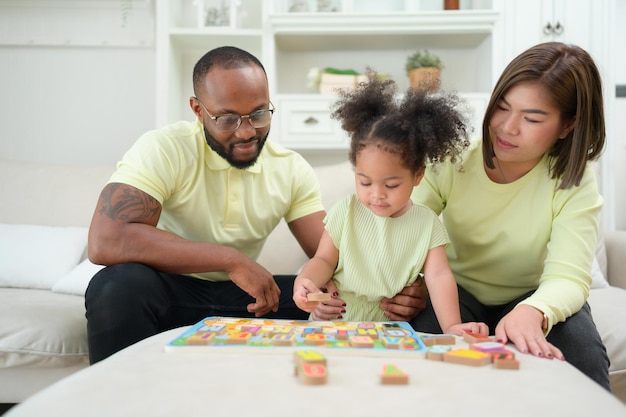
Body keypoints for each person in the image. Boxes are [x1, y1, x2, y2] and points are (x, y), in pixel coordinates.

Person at [85, 46, 426, 364]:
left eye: (259, 114)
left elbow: (335, 256)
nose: (247, 132)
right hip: (171, 292)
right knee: (115, 285)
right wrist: (231, 260)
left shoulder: (290, 168)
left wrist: (403, 285)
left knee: (324, 293)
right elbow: (106, 240)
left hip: (252, 300)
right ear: (197, 110)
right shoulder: (164, 148)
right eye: (227, 118)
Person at [409, 42, 611, 390]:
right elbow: (404, 230)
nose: (507, 127)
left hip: (533, 294)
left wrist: (535, 311)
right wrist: (406, 283)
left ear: (567, 126)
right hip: (455, 292)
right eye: (502, 108)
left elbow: (569, 276)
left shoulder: (574, 180)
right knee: (421, 344)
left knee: (583, 354)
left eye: (532, 118)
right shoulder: (453, 158)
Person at [292, 74, 488, 337]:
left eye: (391, 185)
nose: (377, 195)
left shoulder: (426, 224)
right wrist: (305, 283)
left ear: (418, 175)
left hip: (391, 329)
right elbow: (324, 259)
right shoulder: (345, 211)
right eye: (364, 182)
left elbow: (439, 277)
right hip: (336, 320)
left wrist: (452, 326)